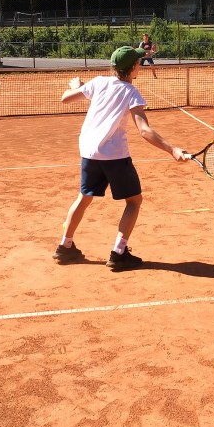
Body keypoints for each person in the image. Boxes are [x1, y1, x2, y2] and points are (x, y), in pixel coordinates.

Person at [54, 45, 185, 271]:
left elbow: (65, 98)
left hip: (89, 152)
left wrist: (80, 87)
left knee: (84, 197)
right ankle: (118, 252)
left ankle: (64, 246)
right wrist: (172, 149)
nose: (140, 66)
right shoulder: (131, 92)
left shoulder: (98, 82)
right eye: (138, 63)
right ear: (133, 67)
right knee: (134, 201)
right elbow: (144, 130)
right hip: (114, 156)